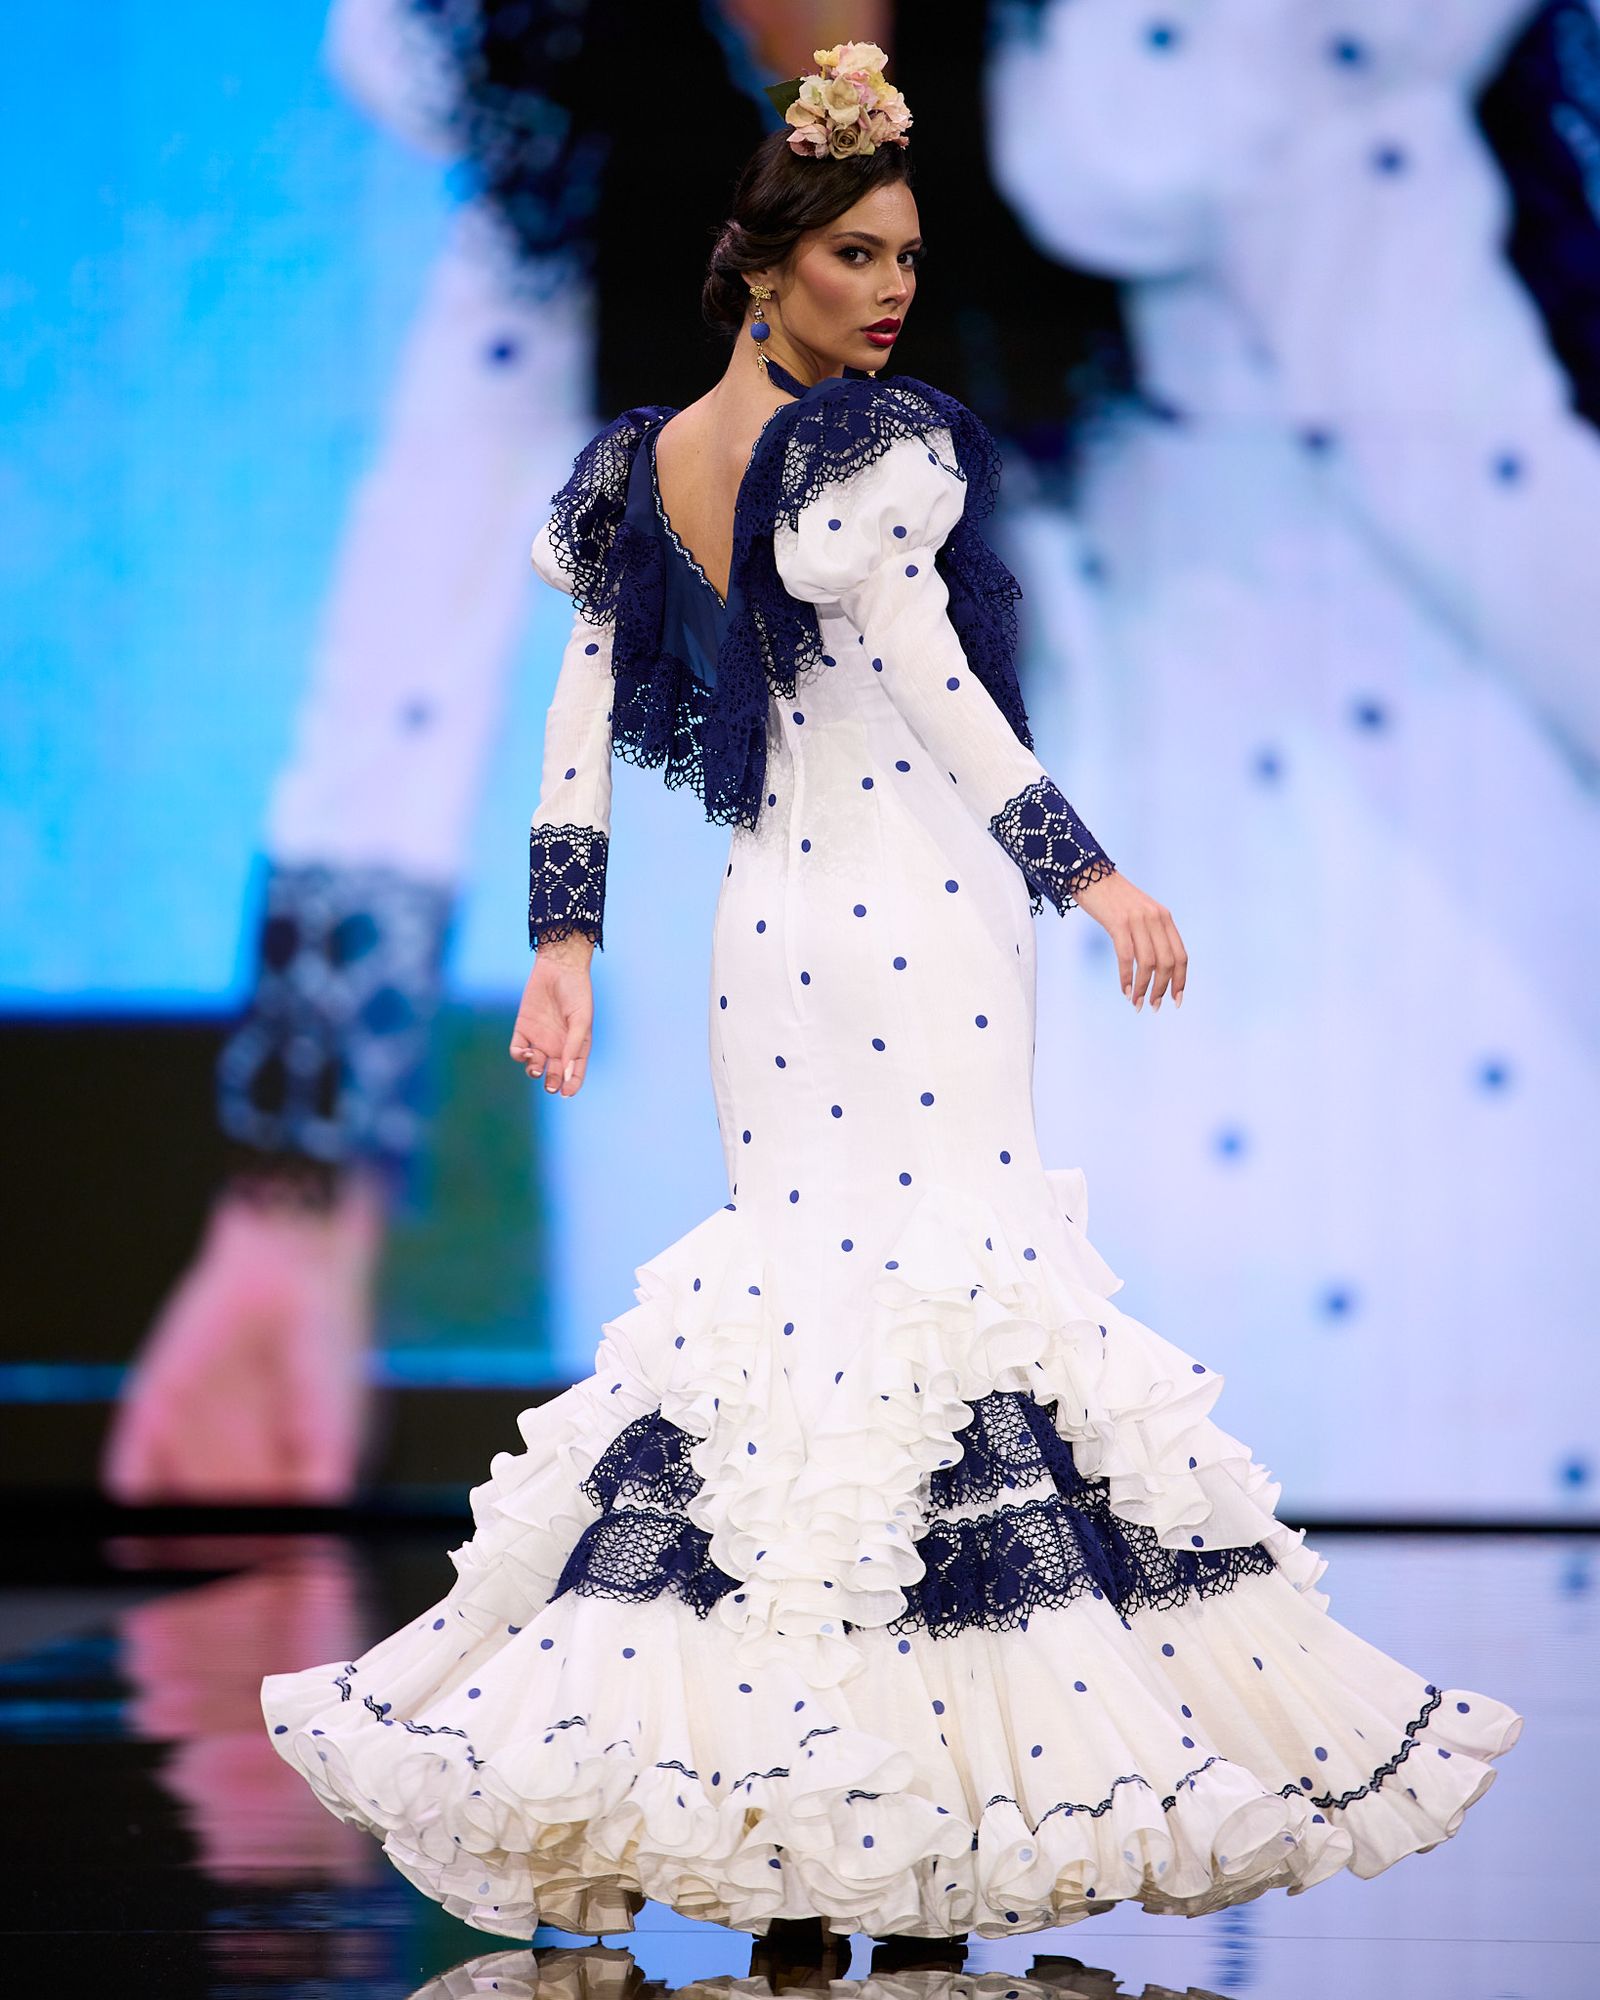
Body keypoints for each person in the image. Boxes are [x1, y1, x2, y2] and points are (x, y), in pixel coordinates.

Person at [261, 43, 1522, 1969]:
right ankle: (920, 1823)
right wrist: (1088, 871)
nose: (894, 287)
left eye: (908, 253)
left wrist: (565, 940)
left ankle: (802, 1826)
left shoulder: (633, 467)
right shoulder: (879, 452)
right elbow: (941, 694)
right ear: (765, 264)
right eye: (856, 253)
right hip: (920, 916)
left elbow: (572, 734)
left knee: (801, 1331)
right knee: (947, 1328)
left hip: (762, 946)